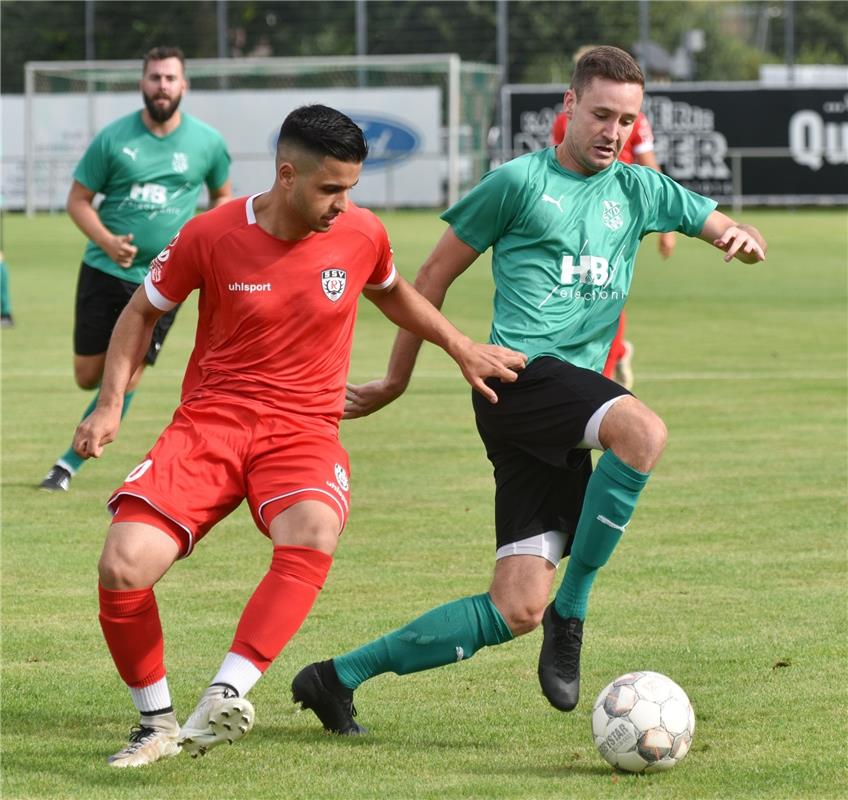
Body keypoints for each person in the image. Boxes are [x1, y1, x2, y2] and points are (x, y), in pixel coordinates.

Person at [291, 46, 766, 736]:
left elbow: (713, 222)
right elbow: (427, 279)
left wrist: (738, 235)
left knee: (514, 609)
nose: (613, 130)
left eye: (627, 120)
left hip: (567, 406)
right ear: (569, 107)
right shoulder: (516, 183)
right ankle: (573, 608)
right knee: (644, 433)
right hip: (516, 379)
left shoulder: (639, 189)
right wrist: (396, 378)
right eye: (601, 113)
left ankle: (336, 678)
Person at [72, 104, 526, 768]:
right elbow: (142, 312)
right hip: (211, 425)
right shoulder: (211, 235)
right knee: (122, 564)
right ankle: (156, 724)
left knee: (312, 528)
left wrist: (459, 347)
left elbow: (393, 291)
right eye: (330, 189)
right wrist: (110, 404)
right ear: (287, 175)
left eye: (352, 189)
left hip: (303, 430)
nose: (344, 204)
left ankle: (226, 693)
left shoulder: (362, 233)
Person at [39, 45, 232, 492]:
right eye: (154, 78)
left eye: (170, 78)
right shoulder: (112, 139)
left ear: (184, 85)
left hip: (165, 278)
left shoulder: (207, 142)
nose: (162, 86)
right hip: (104, 270)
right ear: (142, 84)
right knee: (89, 375)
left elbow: (222, 196)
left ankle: (67, 466)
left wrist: (195, 237)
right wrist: (107, 240)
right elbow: (77, 200)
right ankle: (107, 395)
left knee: (129, 371)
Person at [551, 48, 675, 390]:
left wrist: (665, 225)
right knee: (585, 288)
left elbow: (648, 164)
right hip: (576, 214)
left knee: (604, 289)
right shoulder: (565, 121)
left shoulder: (635, 118)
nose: (613, 128)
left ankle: (603, 370)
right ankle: (611, 354)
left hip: (621, 214)